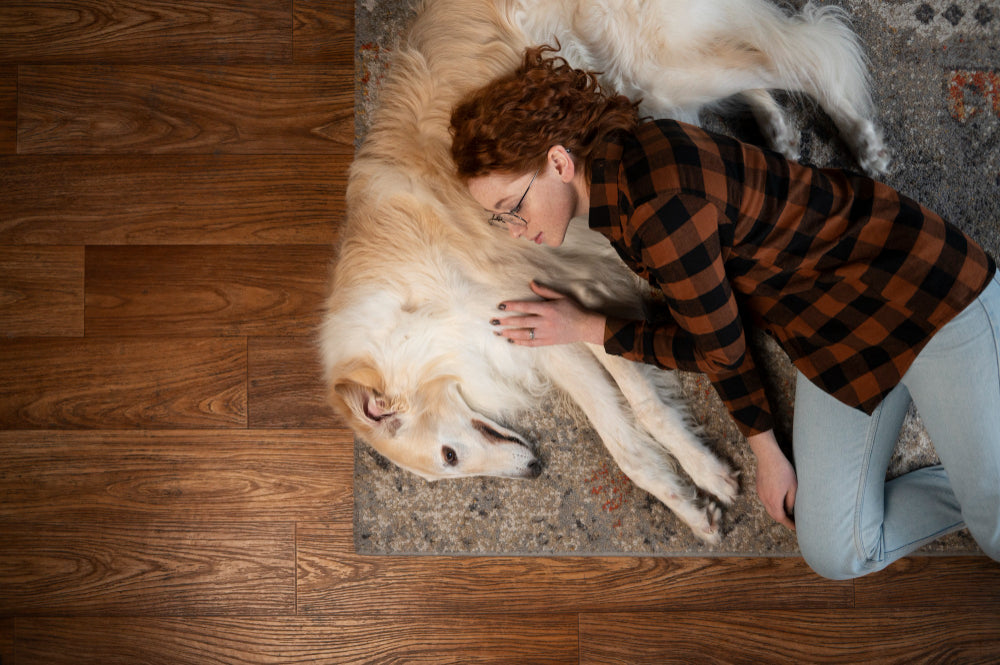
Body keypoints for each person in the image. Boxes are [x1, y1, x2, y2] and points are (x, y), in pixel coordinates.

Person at [449, 46, 1000, 580]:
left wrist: (768, 457)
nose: (516, 230)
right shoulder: (619, 183)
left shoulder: (653, 207)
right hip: (830, 332)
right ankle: (977, 491)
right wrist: (583, 324)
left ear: (558, 161)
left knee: (997, 530)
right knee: (837, 549)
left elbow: (720, 349)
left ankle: (986, 500)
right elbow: (706, 323)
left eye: (511, 209)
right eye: (500, 221)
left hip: (924, 288)